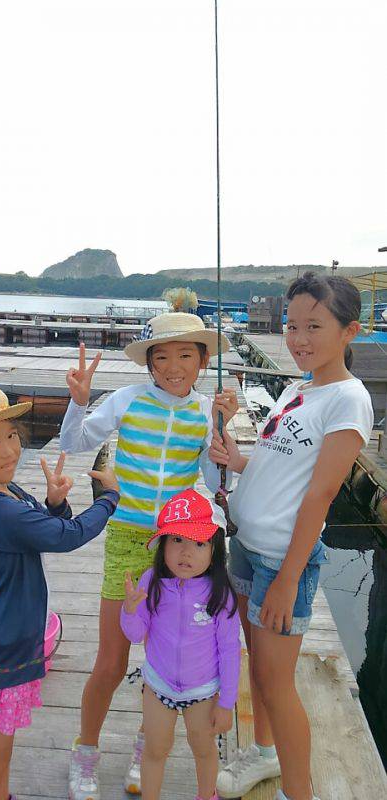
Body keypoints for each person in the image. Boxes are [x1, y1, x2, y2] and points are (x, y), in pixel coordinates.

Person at [59, 312, 236, 799]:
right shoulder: (127, 399)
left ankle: (145, 750)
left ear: (203, 360)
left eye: (185, 355)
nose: (173, 366)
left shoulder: (206, 412)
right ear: (150, 364)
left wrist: (225, 432)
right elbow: (76, 442)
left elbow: (219, 484)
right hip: (126, 537)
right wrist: (78, 404)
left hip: (176, 547)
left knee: (161, 656)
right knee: (112, 661)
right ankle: (85, 752)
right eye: (162, 357)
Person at [211, 272, 374, 800]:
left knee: (279, 686)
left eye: (314, 326)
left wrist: (285, 580)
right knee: (257, 669)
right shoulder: (301, 389)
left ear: (349, 331)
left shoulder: (347, 400)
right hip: (247, 548)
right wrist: (237, 460)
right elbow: (282, 464)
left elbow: (319, 496)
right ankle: (262, 756)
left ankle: (298, 793)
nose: (298, 338)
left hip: (283, 561)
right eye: (291, 324)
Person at [0, 381, 120, 800]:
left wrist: (55, 502)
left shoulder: (0, 492)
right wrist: (109, 498)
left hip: (4, 646)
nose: (9, 450)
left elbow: (49, 526)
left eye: (11, 436)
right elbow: (68, 536)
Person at [120, 488, 241, 800]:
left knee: (203, 750)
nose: (187, 552)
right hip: (158, 687)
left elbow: (230, 651)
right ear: (163, 544)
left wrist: (226, 703)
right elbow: (135, 634)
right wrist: (130, 610)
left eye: (199, 543)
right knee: (155, 750)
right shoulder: (151, 582)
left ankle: (206, 795)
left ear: (215, 550)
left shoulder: (220, 594)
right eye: (177, 540)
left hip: (202, 693)